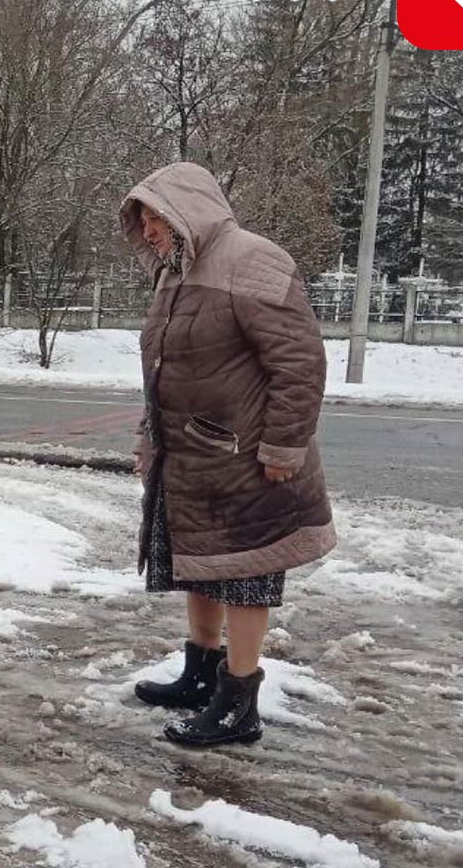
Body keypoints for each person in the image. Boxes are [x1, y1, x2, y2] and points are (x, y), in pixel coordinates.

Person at [120, 161, 337, 747]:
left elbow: (299, 363)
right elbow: (161, 372)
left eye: (157, 219)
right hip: (190, 458)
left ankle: (239, 702)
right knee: (201, 563)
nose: (150, 233)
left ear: (188, 209)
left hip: (249, 460)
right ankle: (202, 673)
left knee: (245, 577)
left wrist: (284, 448)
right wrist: (149, 436)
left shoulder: (253, 259)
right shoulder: (174, 275)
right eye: (143, 222)